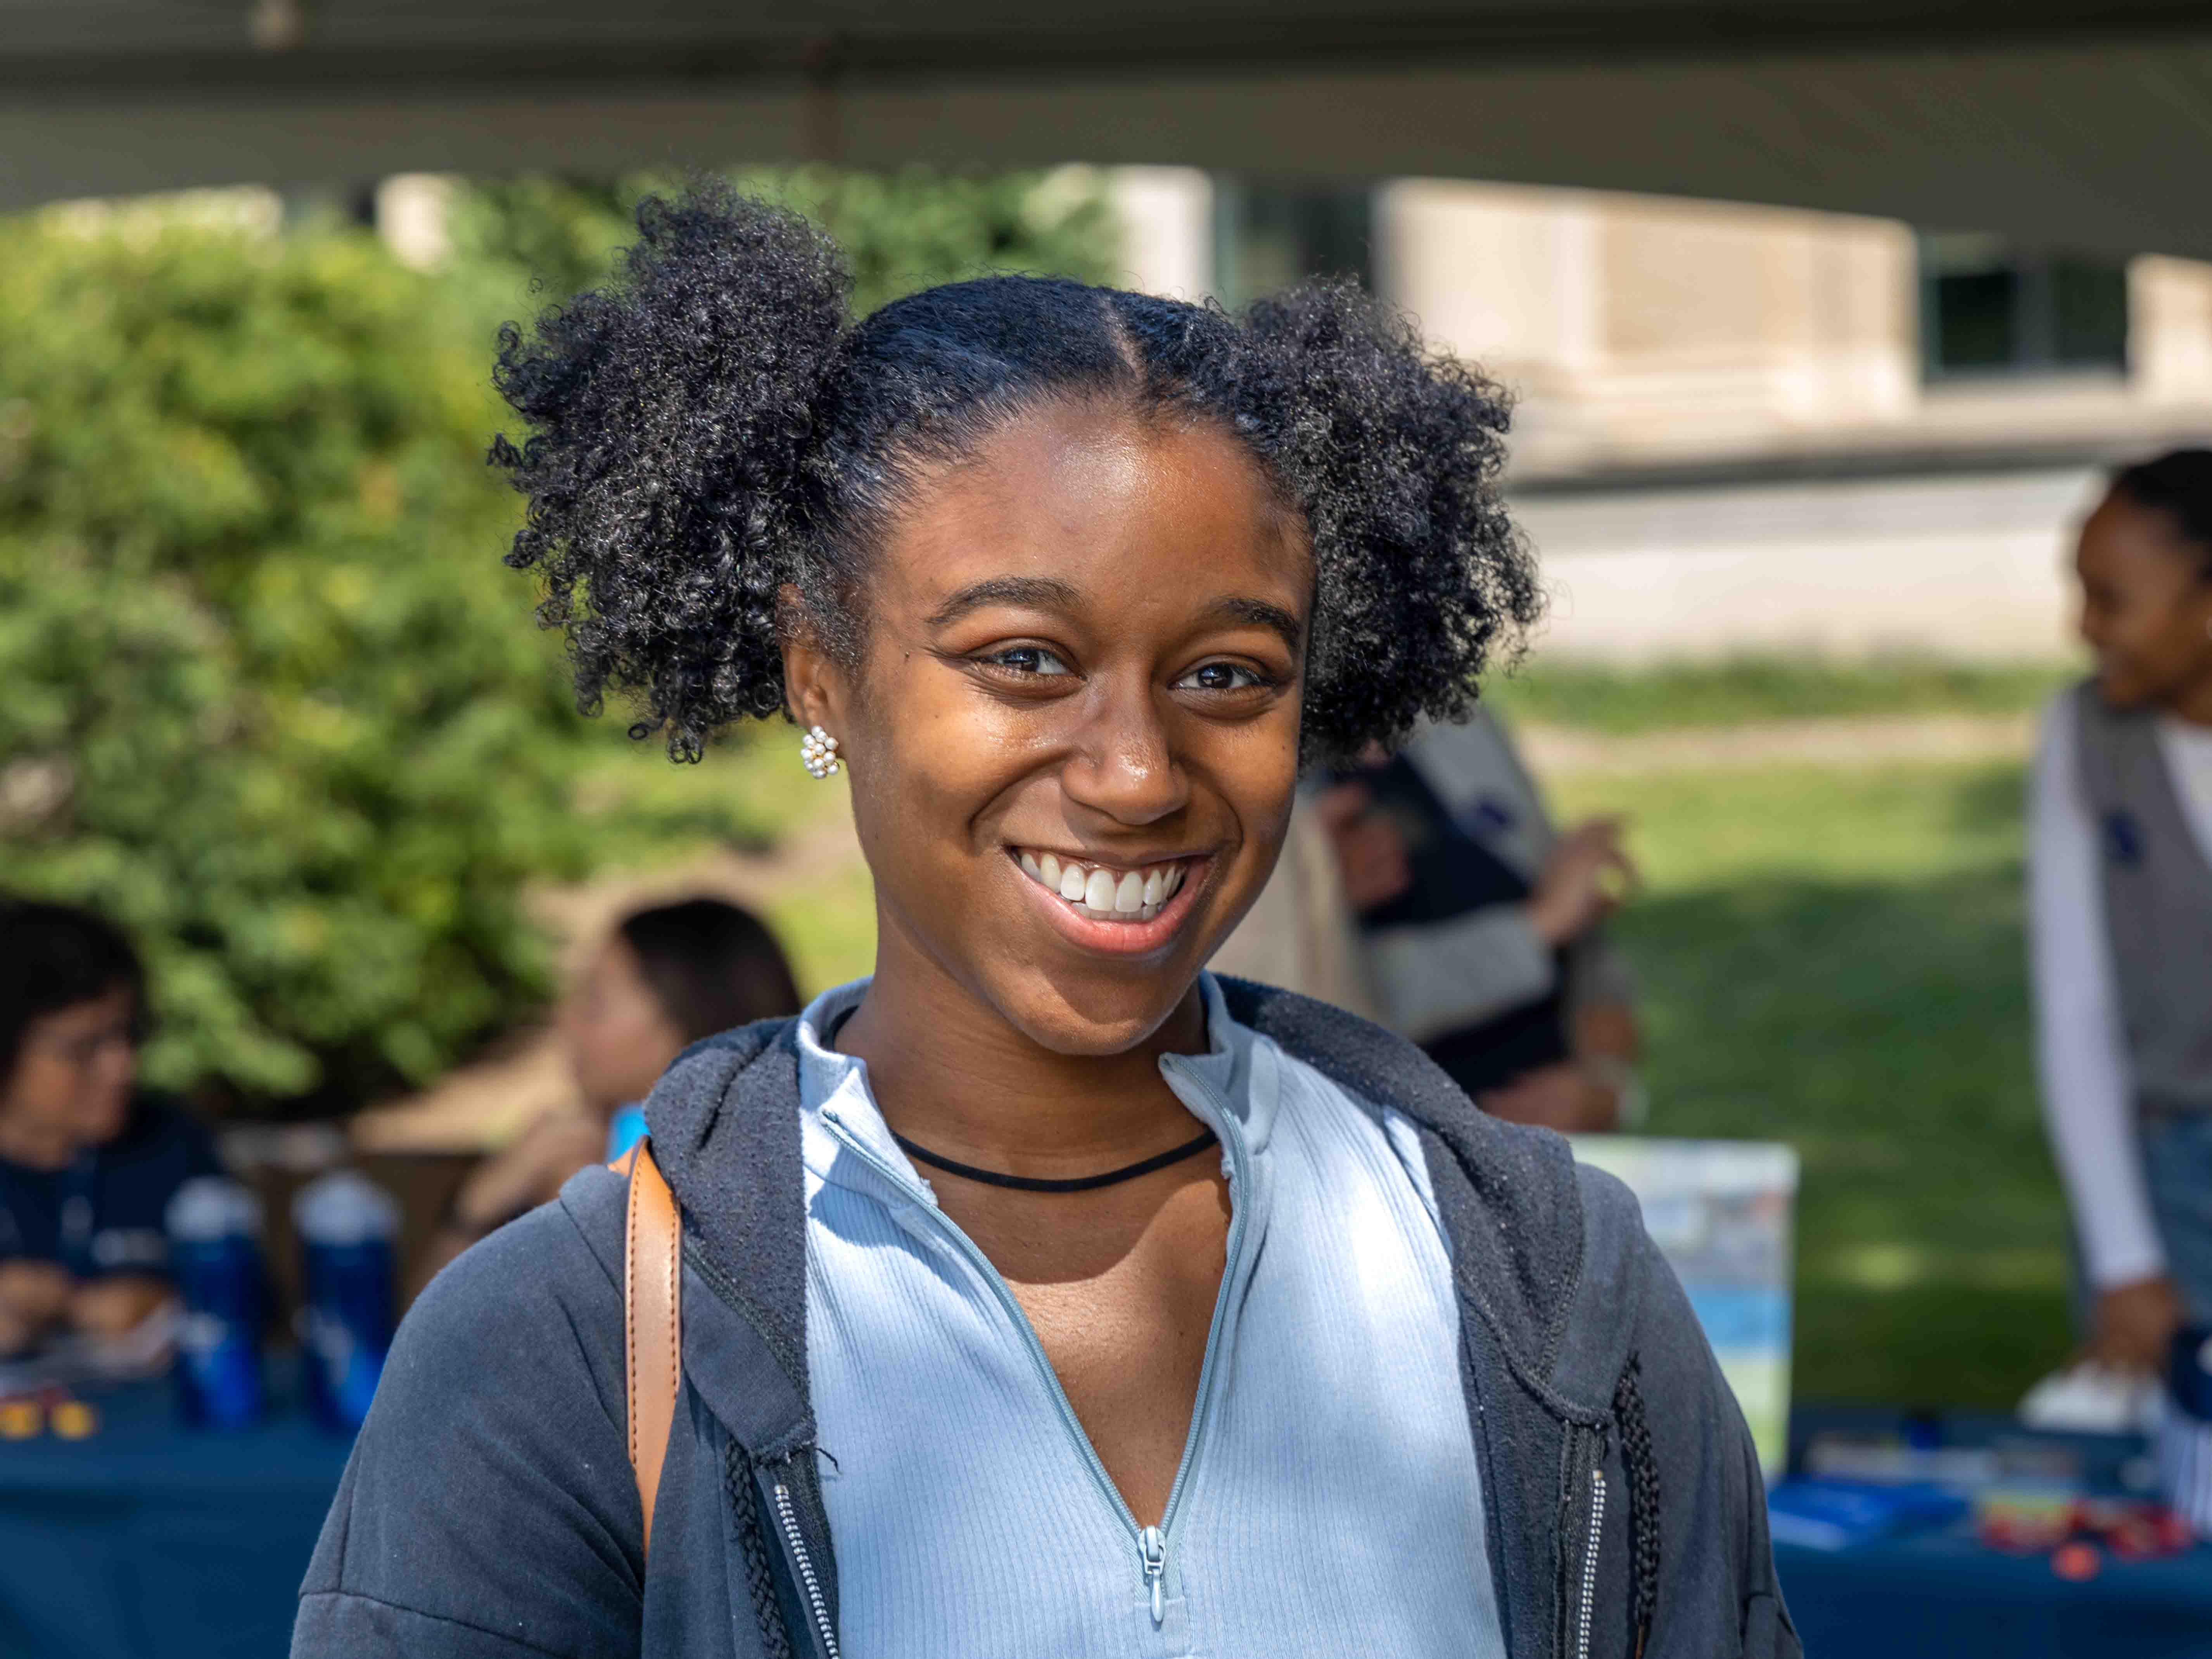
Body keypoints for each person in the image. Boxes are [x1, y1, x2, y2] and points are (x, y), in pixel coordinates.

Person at [295, 185, 1795, 1659]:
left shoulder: (1545, 1282)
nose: (1137, 772)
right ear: (817, 668)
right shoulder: (570, 1339)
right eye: (1024, 657)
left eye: (1226, 673)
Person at [2030, 449, 2212, 1382]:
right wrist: (2123, 1259)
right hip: (2155, 1178)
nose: (2083, 626)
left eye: (2110, 598)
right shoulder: (2078, 737)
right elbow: (2074, 1013)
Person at [418, 898, 800, 1279]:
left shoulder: (599, 1176)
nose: (564, 1017)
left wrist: (479, 1209)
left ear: (689, 1024)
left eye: (594, 1003)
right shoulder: (794, 1147)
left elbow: (433, 1333)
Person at [1320, 712, 1642, 1132]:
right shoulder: (1267, 770)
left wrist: (1608, 1092)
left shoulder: (1455, 720)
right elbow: (1328, 1002)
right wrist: (1539, 928)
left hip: (1548, 1146)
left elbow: (1589, 959)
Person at [0, 900, 221, 1355]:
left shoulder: (170, 1144)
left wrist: (165, 1305)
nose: (122, 1067)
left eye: (129, 1036)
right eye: (83, 1048)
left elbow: (258, 1310)